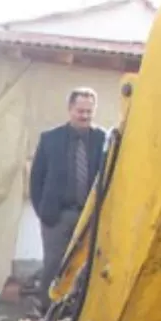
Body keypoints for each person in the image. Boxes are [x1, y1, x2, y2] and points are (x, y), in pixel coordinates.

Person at [29, 87, 108, 301]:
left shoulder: (104, 140)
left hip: (91, 217)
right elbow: (36, 180)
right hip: (58, 216)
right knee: (54, 266)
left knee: (88, 268)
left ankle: (76, 315)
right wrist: (44, 212)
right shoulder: (50, 139)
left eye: (89, 112)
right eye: (80, 111)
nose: (85, 116)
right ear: (70, 109)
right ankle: (46, 314)